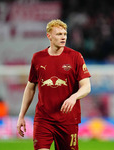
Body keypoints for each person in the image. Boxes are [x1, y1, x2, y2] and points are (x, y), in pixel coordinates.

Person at [17, 19, 91, 150]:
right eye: (58, 34)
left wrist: (74, 97)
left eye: (64, 34)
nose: (63, 37)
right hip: (43, 119)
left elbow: (86, 86)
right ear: (49, 36)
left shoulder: (76, 57)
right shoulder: (37, 58)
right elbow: (30, 88)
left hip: (68, 120)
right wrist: (21, 115)